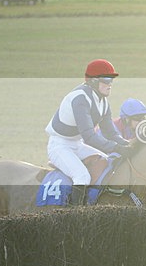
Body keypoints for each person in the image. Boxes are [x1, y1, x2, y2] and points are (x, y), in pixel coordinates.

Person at [45, 59, 132, 205]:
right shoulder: (80, 99)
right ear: (92, 81)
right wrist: (116, 148)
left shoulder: (103, 102)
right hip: (59, 146)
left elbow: (110, 132)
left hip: (77, 145)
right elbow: (90, 136)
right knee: (82, 176)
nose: (110, 84)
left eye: (111, 80)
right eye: (106, 80)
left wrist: (128, 144)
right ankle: (74, 215)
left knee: (107, 162)